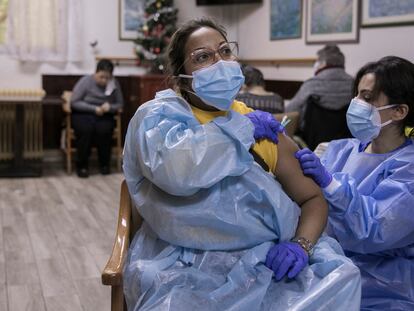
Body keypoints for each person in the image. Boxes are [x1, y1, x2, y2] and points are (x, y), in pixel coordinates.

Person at [122, 18, 361, 311]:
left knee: (342, 277)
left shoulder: (264, 128)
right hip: (182, 260)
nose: (220, 62)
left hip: (264, 259)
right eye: (202, 57)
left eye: (225, 51)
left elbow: (312, 199)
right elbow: (178, 171)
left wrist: (300, 245)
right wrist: (241, 129)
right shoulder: (161, 120)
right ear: (179, 77)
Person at [295, 56, 414, 310]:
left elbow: (375, 230)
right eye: (357, 96)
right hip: (323, 269)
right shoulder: (337, 150)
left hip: (381, 287)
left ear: (399, 111)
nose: (357, 105)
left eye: (368, 98)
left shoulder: (409, 167)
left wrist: (330, 184)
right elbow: (299, 200)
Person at [285, 45, 353, 148]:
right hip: (346, 145)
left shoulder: (311, 84)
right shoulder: (354, 84)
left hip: (312, 144)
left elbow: (290, 112)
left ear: (323, 63)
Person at [70, 59, 124, 177]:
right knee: (85, 130)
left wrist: (109, 107)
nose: (104, 80)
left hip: (105, 114)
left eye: (107, 78)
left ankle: (104, 164)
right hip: (84, 113)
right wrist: (94, 109)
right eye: (101, 77)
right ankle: (82, 166)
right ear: (95, 72)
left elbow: (120, 104)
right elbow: (74, 102)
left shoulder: (114, 83)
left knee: (104, 131)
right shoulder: (85, 81)